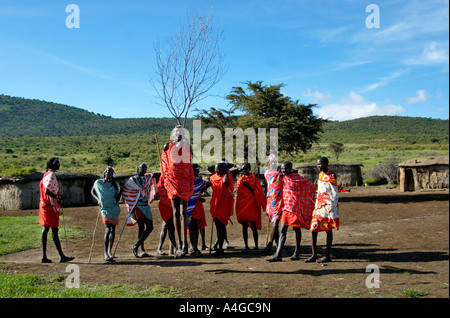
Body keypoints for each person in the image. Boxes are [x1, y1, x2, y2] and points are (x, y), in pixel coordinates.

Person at [267, 161, 315, 262]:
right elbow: (274, 182)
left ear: (290, 168)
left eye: (285, 169)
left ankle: (297, 252)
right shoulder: (283, 177)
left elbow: (308, 186)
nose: (283, 170)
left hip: (295, 207)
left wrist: (304, 198)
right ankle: (278, 254)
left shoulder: (297, 178)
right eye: (282, 169)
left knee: (296, 229)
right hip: (286, 208)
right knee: (283, 229)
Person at [161, 125, 194, 255]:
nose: (178, 134)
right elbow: (164, 160)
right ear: (173, 134)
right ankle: (179, 243)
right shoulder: (167, 146)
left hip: (184, 181)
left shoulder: (187, 146)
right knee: (175, 212)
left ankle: (185, 244)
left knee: (183, 212)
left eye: (180, 132)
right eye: (175, 132)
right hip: (172, 181)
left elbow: (190, 160)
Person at [39, 157, 74, 263]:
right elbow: (47, 190)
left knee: (45, 230)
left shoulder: (46, 174)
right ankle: (61, 256)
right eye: (57, 163)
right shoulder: (51, 175)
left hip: (44, 205)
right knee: (54, 230)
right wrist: (56, 196)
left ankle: (44, 256)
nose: (59, 164)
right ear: (53, 164)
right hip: (49, 206)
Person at [306, 157, 340, 263]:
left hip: (328, 206)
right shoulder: (320, 175)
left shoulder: (332, 175)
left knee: (328, 229)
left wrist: (331, 207)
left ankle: (327, 255)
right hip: (319, 206)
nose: (318, 166)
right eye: (317, 164)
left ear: (325, 164)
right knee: (313, 228)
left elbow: (334, 193)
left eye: (320, 164)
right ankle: (314, 254)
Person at [122, 162, 156, 258]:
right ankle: (141, 249)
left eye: (145, 168)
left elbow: (152, 176)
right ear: (138, 168)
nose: (144, 169)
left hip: (146, 205)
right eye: (142, 168)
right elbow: (127, 190)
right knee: (141, 227)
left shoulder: (147, 178)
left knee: (150, 227)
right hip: (138, 206)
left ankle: (136, 246)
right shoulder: (133, 180)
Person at [91, 167, 122, 261]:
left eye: (112, 173)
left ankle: (109, 251)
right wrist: (98, 200)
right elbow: (92, 191)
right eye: (108, 173)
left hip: (114, 209)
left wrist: (120, 190)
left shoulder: (115, 185)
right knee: (108, 229)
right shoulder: (98, 183)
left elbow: (117, 199)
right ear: (105, 173)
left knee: (113, 229)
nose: (110, 175)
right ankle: (105, 252)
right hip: (105, 209)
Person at [235, 163, 266, 254]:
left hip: (252, 205)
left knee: (253, 226)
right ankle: (246, 247)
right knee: (244, 226)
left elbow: (257, 192)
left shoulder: (254, 180)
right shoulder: (240, 180)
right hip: (242, 205)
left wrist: (248, 186)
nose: (244, 170)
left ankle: (256, 246)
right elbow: (239, 193)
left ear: (249, 169)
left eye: (246, 169)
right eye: (243, 169)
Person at [209, 162, 234, 256]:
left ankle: (220, 248)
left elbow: (224, 182)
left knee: (221, 227)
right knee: (218, 227)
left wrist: (227, 172)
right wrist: (224, 166)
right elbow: (209, 168)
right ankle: (219, 247)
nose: (216, 170)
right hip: (215, 204)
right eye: (215, 169)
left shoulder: (228, 177)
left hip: (223, 204)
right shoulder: (213, 177)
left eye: (218, 169)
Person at [186, 164, 210, 257]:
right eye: (196, 170)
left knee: (194, 228)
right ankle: (194, 248)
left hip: (194, 206)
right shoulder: (192, 180)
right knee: (192, 228)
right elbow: (208, 183)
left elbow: (207, 184)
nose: (198, 171)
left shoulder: (193, 180)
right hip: (190, 206)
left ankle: (194, 247)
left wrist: (199, 193)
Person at [263, 153, 283, 255]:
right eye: (272, 161)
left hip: (280, 200)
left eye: (275, 161)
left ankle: (270, 246)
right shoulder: (266, 173)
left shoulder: (280, 171)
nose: (273, 163)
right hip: (270, 200)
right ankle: (278, 246)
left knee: (275, 224)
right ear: (268, 162)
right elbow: (268, 186)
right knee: (274, 224)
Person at [155, 175, 178, 257]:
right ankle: (175, 248)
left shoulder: (170, 179)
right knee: (170, 227)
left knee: (165, 226)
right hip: (165, 206)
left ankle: (160, 248)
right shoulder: (162, 181)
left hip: (171, 205)